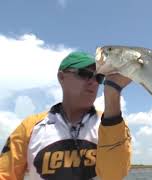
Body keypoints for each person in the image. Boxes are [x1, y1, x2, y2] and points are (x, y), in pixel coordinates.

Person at [0, 51, 132, 180]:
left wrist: (112, 93)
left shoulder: (113, 123)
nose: (94, 82)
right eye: (85, 74)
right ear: (61, 77)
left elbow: (114, 175)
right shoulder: (29, 127)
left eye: (99, 77)